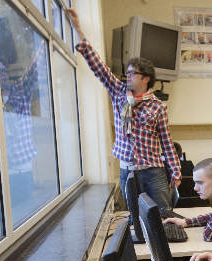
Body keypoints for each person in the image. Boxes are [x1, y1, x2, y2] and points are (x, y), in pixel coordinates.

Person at [66, 8, 181, 210]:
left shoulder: (157, 106)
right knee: (135, 220)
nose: (127, 75)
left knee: (163, 216)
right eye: (126, 72)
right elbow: (98, 66)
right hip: (127, 172)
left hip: (153, 172)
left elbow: (167, 143)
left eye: (132, 73)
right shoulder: (118, 92)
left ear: (145, 79)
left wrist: (176, 172)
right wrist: (78, 29)